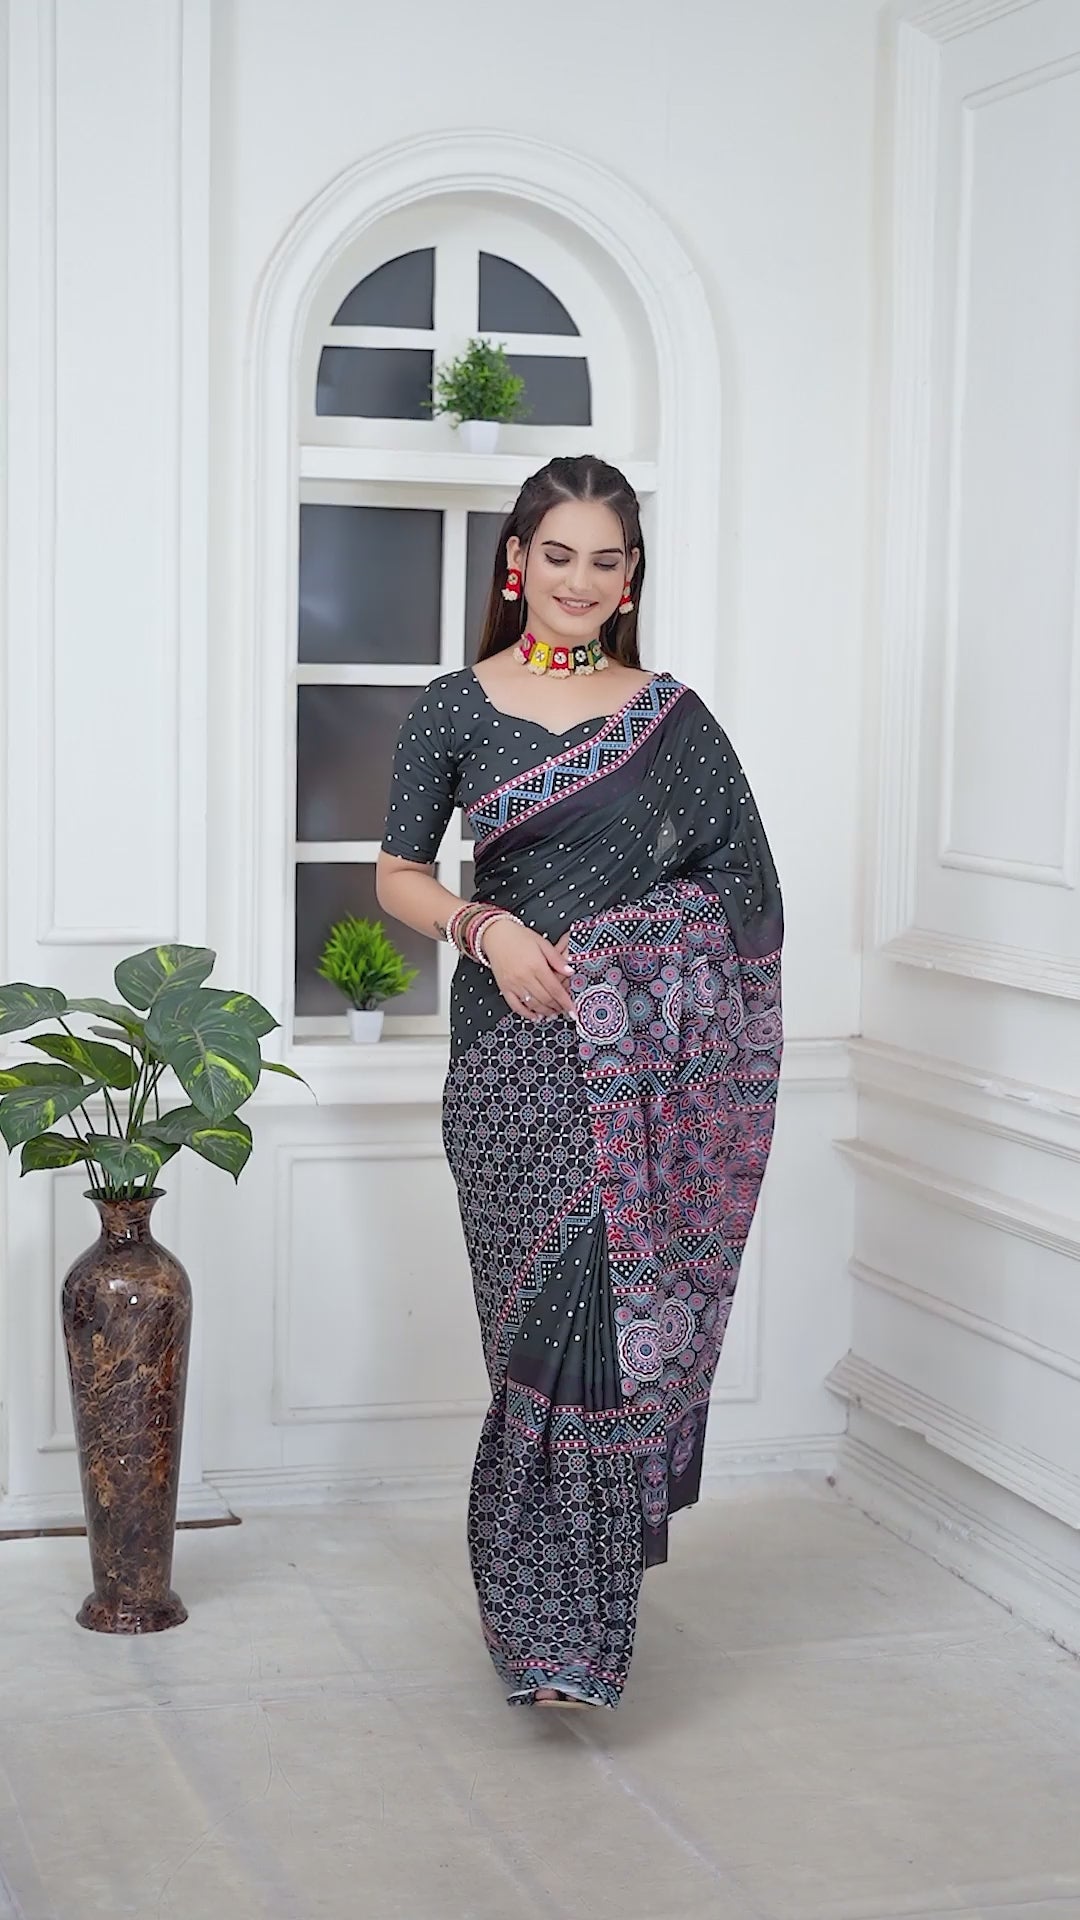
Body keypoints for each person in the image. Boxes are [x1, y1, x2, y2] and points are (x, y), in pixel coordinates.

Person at [376, 454, 783, 1710]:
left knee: (600, 1330)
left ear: (632, 575)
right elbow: (396, 875)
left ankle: (572, 1641)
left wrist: (617, 952)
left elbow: (744, 892)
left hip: (636, 1074)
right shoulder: (454, 708)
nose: (581, 581)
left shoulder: (669, 716)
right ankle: (530, 1611)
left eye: (608, 560)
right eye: (559, 555)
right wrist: (485, 928)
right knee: (531, 1334)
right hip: (506, 1066)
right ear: (517, 561)